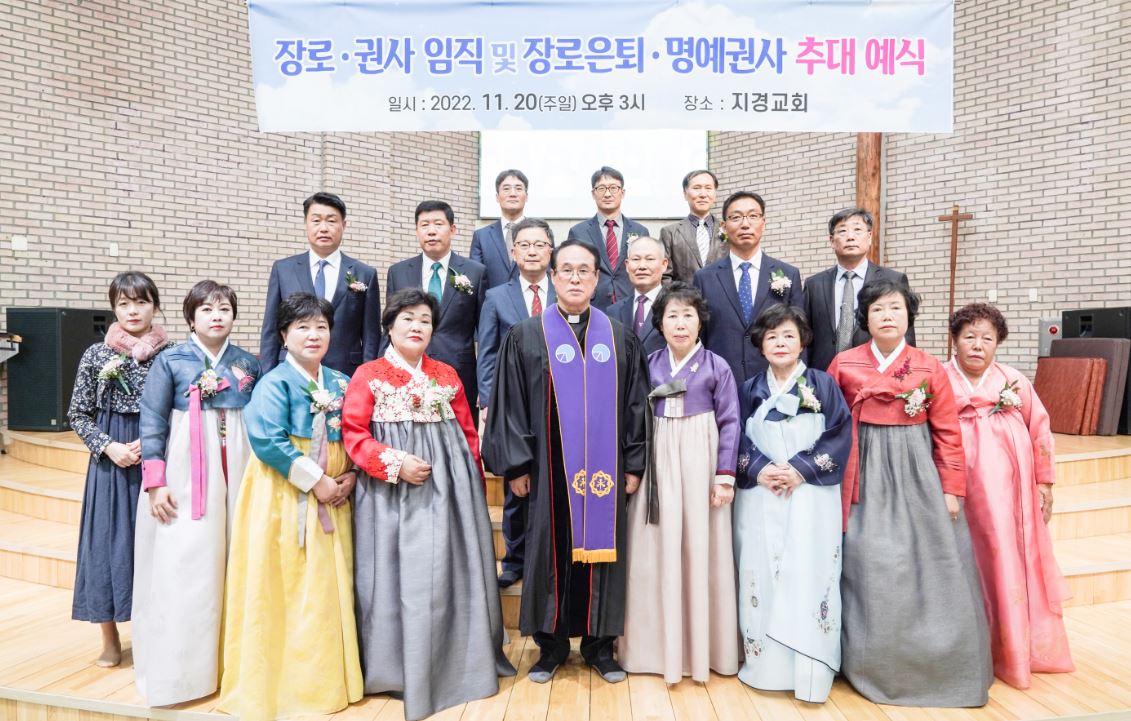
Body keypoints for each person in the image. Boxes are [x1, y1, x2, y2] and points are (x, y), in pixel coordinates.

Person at [342, 288, 515, 720]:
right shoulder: (368, 374)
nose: (417, 327)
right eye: (407, 319)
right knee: (400, 573)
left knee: (451, 569)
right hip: (391, 494)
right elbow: (354, 434)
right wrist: (395, 463)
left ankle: (460, 660)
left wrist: (472, 485)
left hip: (450, 490)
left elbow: (468, 432)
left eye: (424, 320)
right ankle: (399, 668)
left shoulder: (447, 374)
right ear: (389, 326)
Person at [483, 239, 650, 684]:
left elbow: (636, 405)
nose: (575, 279)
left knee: (604, 557)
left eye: (584, 271)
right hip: (547, 470)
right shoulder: (526, 335)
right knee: (549, 554)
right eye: (567, 270)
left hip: (606, 472)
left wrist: (634, 464)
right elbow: (511, 404)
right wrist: (517, 466)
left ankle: (599, 647)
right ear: (552, 277)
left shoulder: (619, 337)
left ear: (597, 279)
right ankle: (551, 647)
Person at [828, 279, 992, 707]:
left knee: (927, 563)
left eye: (896, 308)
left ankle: (935, 663)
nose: (887, 316)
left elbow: (948, 433)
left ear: (909, 317)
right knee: (867, 562)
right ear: (865, 318)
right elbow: (827, 423)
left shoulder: (928, 366)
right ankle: (865, 663)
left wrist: (951, 489)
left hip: (916, 473)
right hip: (861, 470)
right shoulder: (844, 363)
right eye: (878, 309)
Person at [218, 293, 362, 721]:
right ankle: (289, 686)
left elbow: (356, 432)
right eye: (302, 327)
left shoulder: (341, 382)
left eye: (321, 327)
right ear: (283, 336)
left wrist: (351, 474)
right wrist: (317, 481)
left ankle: (328, 679)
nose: (313, 335)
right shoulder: (274, 383)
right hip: (284, 497)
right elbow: (267, 441)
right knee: (292, 588)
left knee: (328, 589)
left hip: (336, 497)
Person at [134, 281, 258, 706]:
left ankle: (233, 668)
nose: (216, 316)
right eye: (206, 309)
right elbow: (152, 420)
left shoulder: (248, 363)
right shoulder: (170, 361)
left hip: (240, 467)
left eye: (224, 308)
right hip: (187, 474)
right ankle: (182, 675)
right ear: (190, 318)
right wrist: (156, 482)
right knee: (187, 565)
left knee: (238, 563)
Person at [945, 302, 1074, 689]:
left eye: (987, 338)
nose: (977, 345)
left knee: (1006, 563)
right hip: (956, 492)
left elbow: (1040, 431)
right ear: (954, 340)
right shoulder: (939, 379)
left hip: (1007, 498)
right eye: (969, 336)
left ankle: (1013, 651)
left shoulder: (1013, 381)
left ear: (998, 343)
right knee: (963, 563)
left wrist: (1044, 482)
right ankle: (964, 652)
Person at [618, 282, 741, 683]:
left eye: (688, 315)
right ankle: (652, 650)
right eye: (672, 315)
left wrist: (724, 477)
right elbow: (632, 418)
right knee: (652, 548)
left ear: (700, 322)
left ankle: (702, 651)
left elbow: (730, 422)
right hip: (657, 460)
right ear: (660, 324)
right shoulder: (648, 363)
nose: (681, 323)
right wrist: (632, 467)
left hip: (700, 459)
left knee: (701, 548)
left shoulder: (717, 367)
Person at [732, 304, 851, 703]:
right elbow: (733, 436)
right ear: (760, 345)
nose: (780, 343)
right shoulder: (749, 388)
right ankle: (765, 667)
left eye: (788, 336)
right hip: (762, 493)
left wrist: (800, 470)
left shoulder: (822, 384)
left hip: (810, 494)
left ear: (802, 343)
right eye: (772, 336)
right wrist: (760, 469)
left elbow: (840, 432)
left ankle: (810, 669)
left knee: (810, 570)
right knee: (762, 569)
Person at [69, 271, 171, 668]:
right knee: (106, 544)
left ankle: (156, 632)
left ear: (155, 307)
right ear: (114, 308)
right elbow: (78, 413)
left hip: (158, 455)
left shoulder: (171, 353)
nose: (133, 311)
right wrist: (108, 446)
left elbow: (181, 408)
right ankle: (109, 636)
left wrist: (154, 441)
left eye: (141, 302)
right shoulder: (97, 355)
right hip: (110, 462)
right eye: (124, 303)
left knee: (158, 545)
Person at [477, 217, 556, 588]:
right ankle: (515, 559)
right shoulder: (496, 297)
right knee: (516, 483)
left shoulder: (565, 290)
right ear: (513, 252)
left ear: (551, 251)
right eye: (525, 245)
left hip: (559, 403)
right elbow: (488, 352)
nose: (532, 251)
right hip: (513, 405)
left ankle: (553, 556)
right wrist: (489, 402)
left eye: (539, 244)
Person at [385, 200, 487, 423]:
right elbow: (389, 328)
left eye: (438, 224)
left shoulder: (475, 272)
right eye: (424, 225)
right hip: (406, 374)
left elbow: (486, 333)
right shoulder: (398, 272)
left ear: (452, 229)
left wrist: (485, 385)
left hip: (460, 374)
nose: (431, 231)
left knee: (459, 438)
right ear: (417, 231)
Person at [259, 192, 381, 376]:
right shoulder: (283, 269)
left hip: (346, 372)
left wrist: (368, 378)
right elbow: (270, 328)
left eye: (331, 221)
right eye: (316, 221)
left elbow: (371, 336)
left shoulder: (365, 273)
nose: (323, 228)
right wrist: (267, 377)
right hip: (292, 370)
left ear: (343, 225)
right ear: (306, 224)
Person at [694, 191, 803, 386]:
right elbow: (699, 337)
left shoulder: (789, 274)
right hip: (720, 384)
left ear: (763, 223)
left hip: (774, 384)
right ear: (724, 226)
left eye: (753, 216)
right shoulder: (704, 278)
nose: (745, 224)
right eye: (736, 217)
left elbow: (799, 335)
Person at [802, 208, 915, 371]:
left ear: (869, 237)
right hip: (824, 375)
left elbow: (906, 335)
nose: (850, 237)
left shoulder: (893, 279)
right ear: (832, 240)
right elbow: (805, 336)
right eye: (842, 231)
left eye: (857, 230)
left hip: (876, 375)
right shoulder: (814, 284)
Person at [567, 166, 651, 309]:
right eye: (601, 189)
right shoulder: (578, 232)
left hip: (630, 303)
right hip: (592, 304)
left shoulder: (640, 231)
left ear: (622, 193)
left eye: (613, 188)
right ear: (593, 194)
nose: (607, 194)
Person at [660, 169, 727, 284]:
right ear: (685, 194)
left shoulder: (728, 230)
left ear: (715, 194)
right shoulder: (669, 233)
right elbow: (664, 275)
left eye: (708, 188)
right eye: (697, 188)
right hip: (683, 295)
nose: (703, 194)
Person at [607, 236, 669, 356]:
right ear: (627, 265)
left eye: (650, 259)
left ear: (664, 264)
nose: (642, 266)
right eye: (636, 259)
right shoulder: (614, 311)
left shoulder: (676, 307)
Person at [470, 169, 528, 289]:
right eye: (506, 189)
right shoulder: (481, 236)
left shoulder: (541, 232)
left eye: (518, 188)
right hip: (492, 300)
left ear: (526, 196)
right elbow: (476, 279)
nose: (512, 194)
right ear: (497, 197)